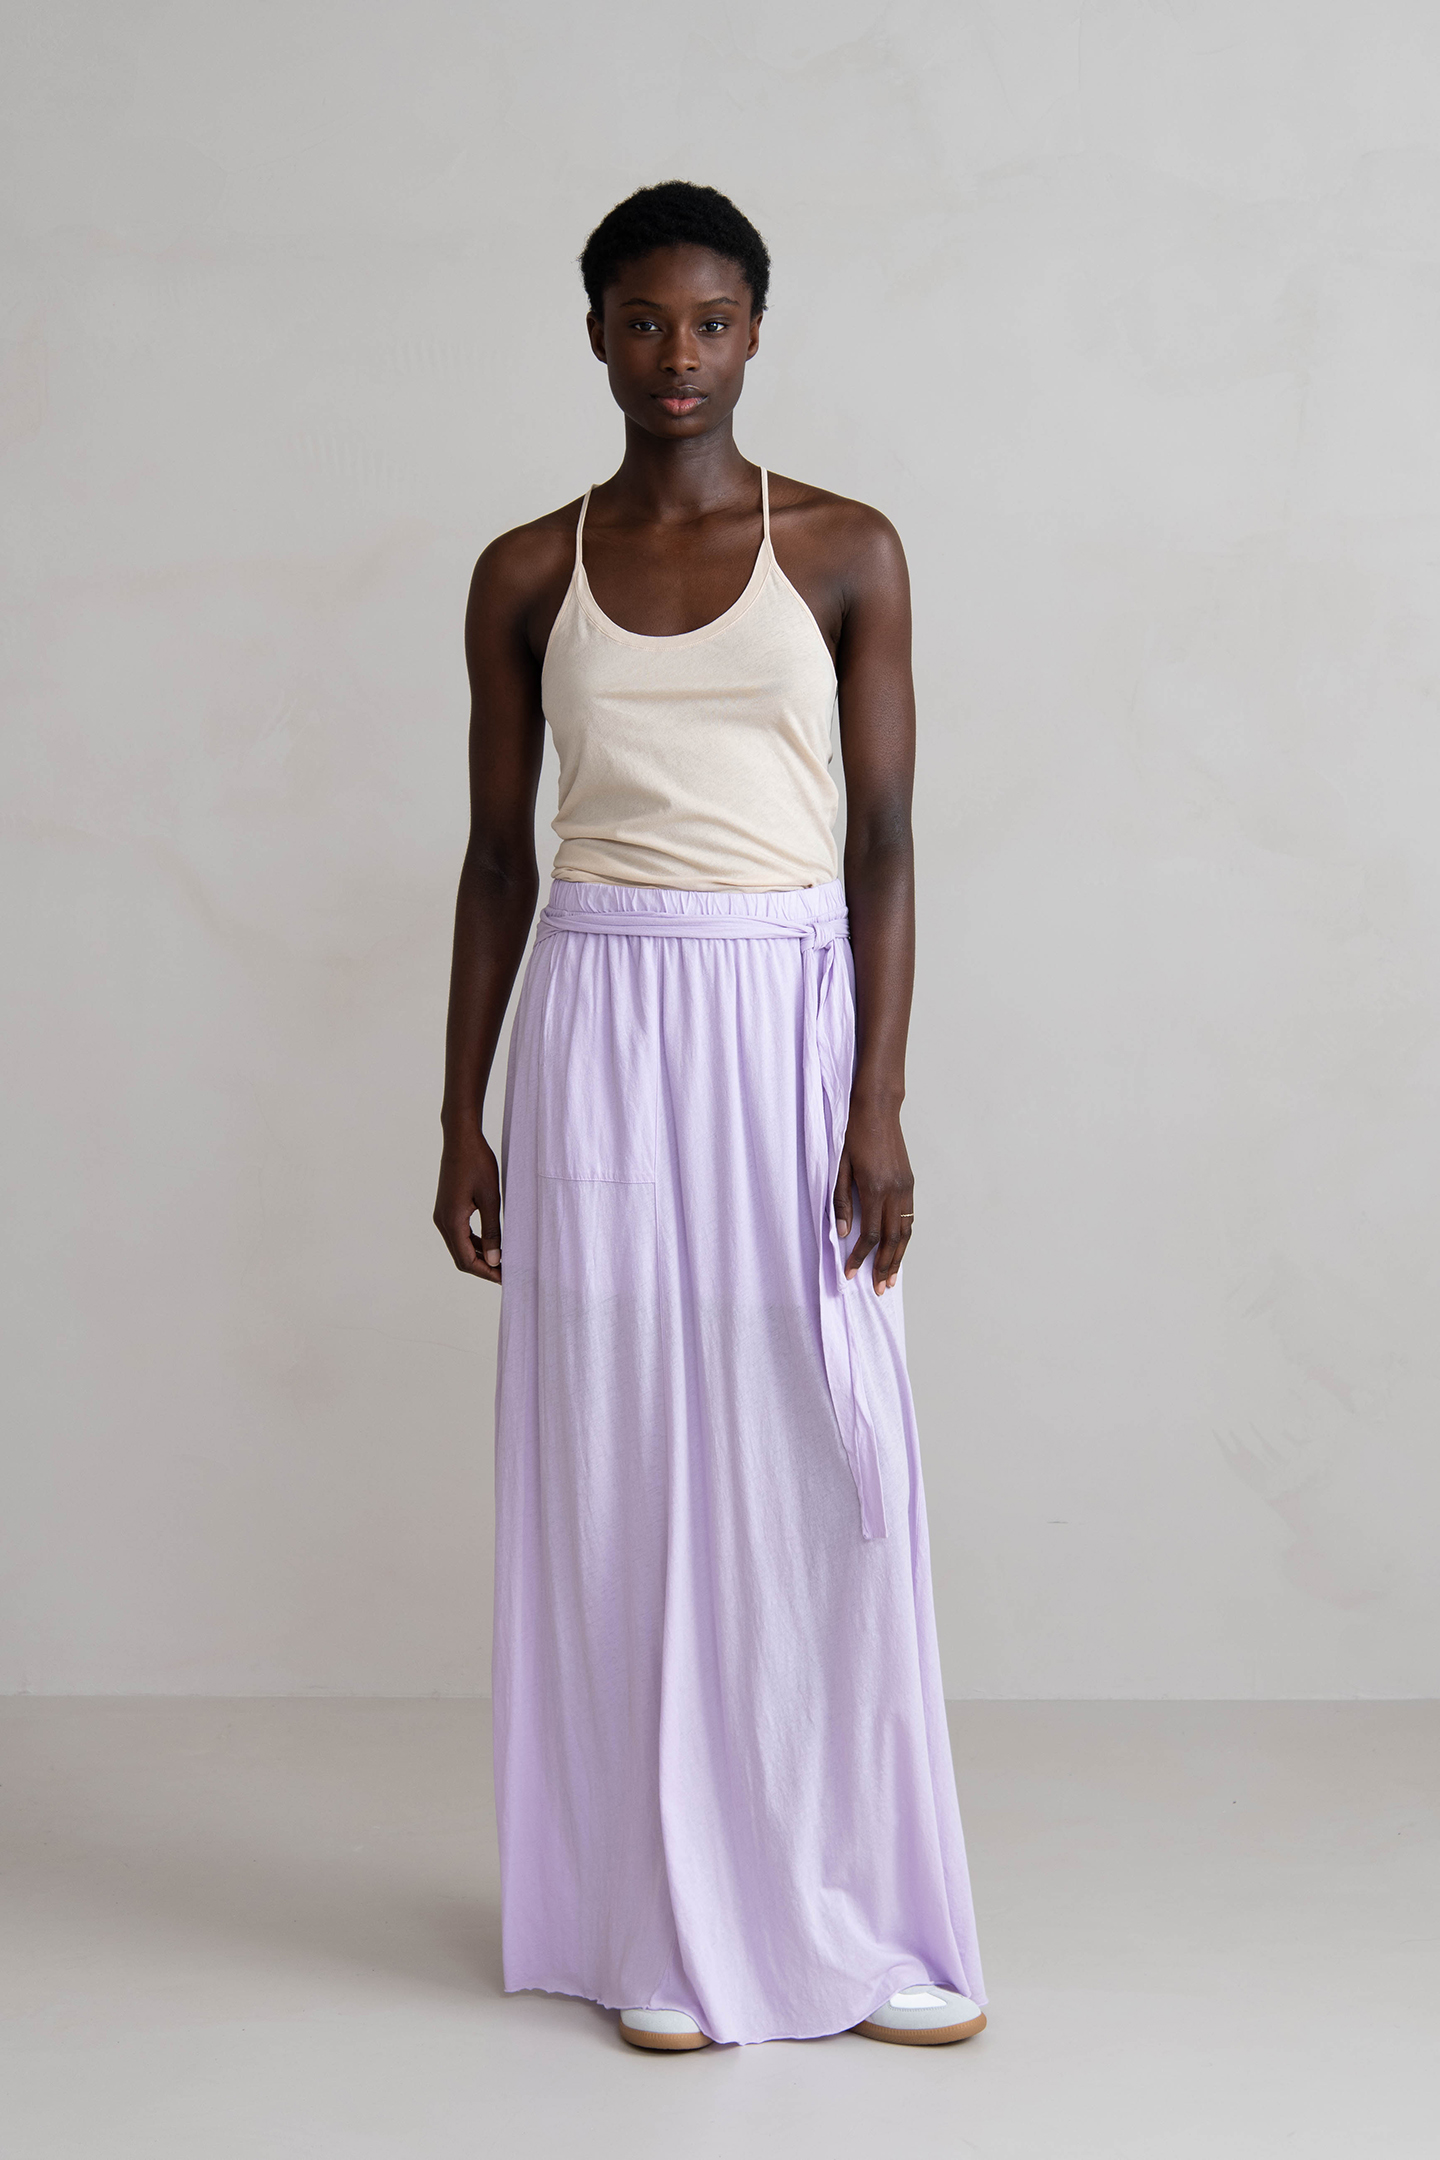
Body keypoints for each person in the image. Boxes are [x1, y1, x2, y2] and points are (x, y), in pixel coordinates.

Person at [434, 181, 985, 2051]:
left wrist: (878, 1102)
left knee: (822, 1461)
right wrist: (461, 1116)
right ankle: (657, 1926)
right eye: (645, 321)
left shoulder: (844, 549)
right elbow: (495, 862)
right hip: (599, 1016)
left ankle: (849, 1909)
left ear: (757, 332)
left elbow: (885, 842)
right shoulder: (528, 571)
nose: (679, 355)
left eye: (713, 321)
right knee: (629, 1459)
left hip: (786, 1020)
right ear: (595, 333)